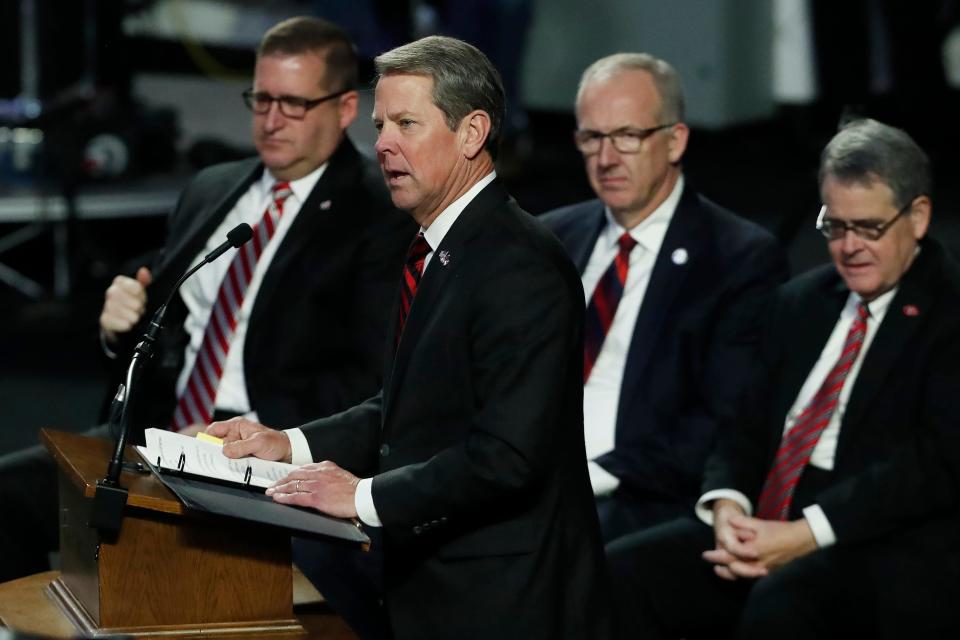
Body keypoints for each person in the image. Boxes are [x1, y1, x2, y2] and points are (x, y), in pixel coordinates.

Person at [0, 15, 412, 613]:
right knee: (8, 494)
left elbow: (366, 383)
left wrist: (260, 438)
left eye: (294, 104)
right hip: (157, 433)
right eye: (261, 99)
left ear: (346, 107)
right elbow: (160, 316)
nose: (271, 120)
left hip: (262, 448)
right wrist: (118, 329)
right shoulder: (212, 188)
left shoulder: (376, 216)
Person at [209, 35, 613, 640]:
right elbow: (405, 409)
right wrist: (287, 445)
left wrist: (363, 497)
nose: (383, 145)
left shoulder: (520, 263)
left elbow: (507, 457)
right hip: (435, 581)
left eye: (406, 123)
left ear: (472, 133)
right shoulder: (440, 245)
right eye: (379, 125)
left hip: (505, 600)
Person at [607, 118, 960, 639]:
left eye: (869, 228)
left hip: (872, 535)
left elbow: (929, 466)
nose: (849, 247)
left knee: (785, 603)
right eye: (834, 226)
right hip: (766, 518)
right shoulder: (801, 301)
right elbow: (743, 422)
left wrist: (806, 533)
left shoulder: (949, 314)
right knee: (623, 570)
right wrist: (728, 505)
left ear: (919, 217)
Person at [539, 53, 789, 542]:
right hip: (526, 475)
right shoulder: (552, 238)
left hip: (637, 495)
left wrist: (590, 476)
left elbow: (722, 419)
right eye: (592, 138)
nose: (606, 158)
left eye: (628, 136)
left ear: (675, 140)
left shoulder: (736, 258)